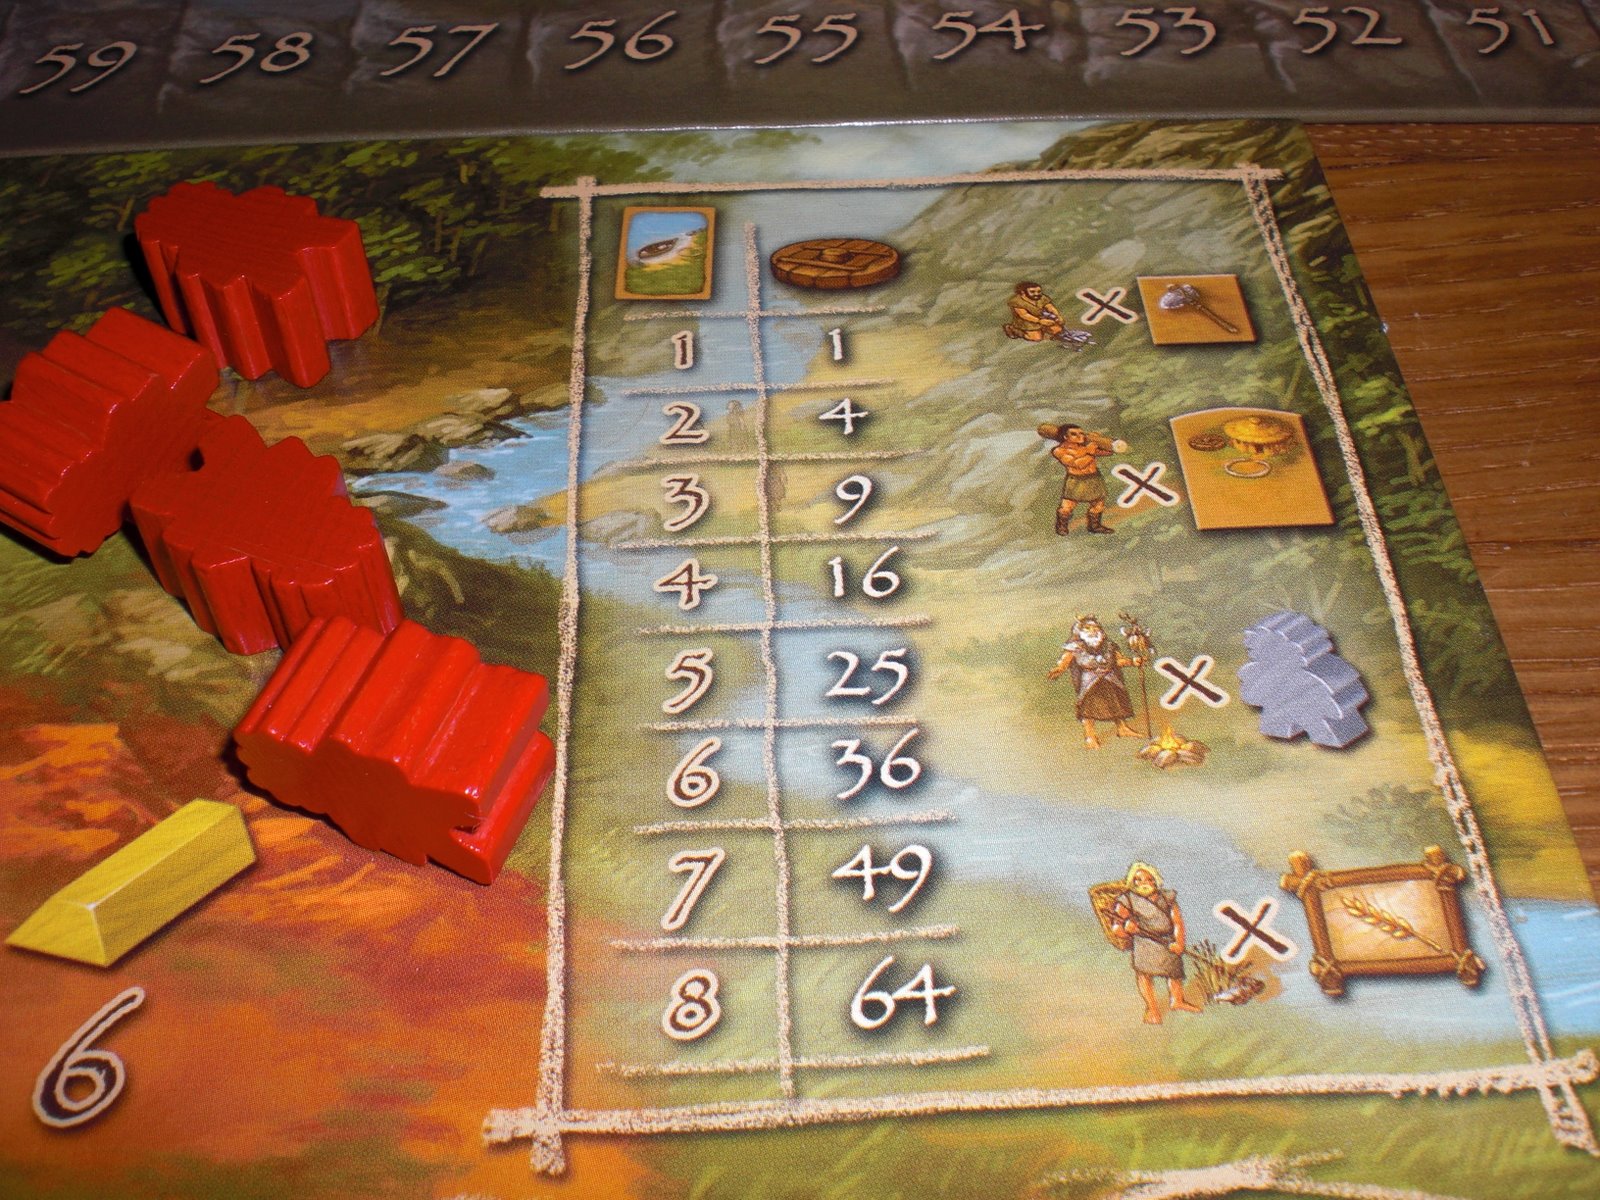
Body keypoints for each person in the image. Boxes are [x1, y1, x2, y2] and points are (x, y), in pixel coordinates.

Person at [1111, 862, 1203, 1025]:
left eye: (1149, 879)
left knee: (1174, 973)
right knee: (1144, 975)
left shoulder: (1167, 897)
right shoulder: (1128, 900)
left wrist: (1179, 942)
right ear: (1132, 882)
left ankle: (1177, 1001)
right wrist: (1126, 929)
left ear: (1155, 880)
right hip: (1144, 942)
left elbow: (1177, 922)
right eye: (1138, 879)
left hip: (1167, 941)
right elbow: (1116, 926)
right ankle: (1152, 1009)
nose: (1144, 883)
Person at [1047, 615, 1143, 748]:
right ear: (1080, 630)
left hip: (1110, 678)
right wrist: (1060, 668)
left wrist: (1132, 661)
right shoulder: (1075, 646)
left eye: (1095, 628)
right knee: (1088, 708)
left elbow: (1118, 661)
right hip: (1090, 680)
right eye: (1088, 628)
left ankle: (1122, 728)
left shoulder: (1109, 645)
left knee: (1117, 702)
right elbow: (1065, 660)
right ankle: (1090, 736)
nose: (1092, 631)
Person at [1041, 423, 1127, 535]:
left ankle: (1095, 526)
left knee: (1098, 505)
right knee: (1067, 506)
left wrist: (1099, 441)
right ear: (1065, 437)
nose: (1080, 436)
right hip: (1076, 480)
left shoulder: (1084, 447)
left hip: (1094, 478)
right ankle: (1061, 526)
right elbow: (1078, 464)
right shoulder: (1059, 450)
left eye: (1081, 433)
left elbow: (1108, 452)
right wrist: (1089, 451)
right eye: (1074, 434)